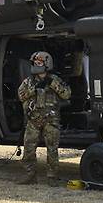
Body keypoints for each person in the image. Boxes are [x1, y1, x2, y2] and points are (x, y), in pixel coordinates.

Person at [17, 51, 71, 187]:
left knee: (52, 149)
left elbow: (67, 94)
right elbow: (21, 95)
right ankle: (30, 175)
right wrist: (34, 90)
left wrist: (52, 84)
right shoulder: (29, 81)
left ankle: (52, 177)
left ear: (47, 64)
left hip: (51, 120)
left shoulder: (54, 80)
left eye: (39, 63)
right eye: (35, 62)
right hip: (33, 120)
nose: (36, 65)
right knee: (29, 149)